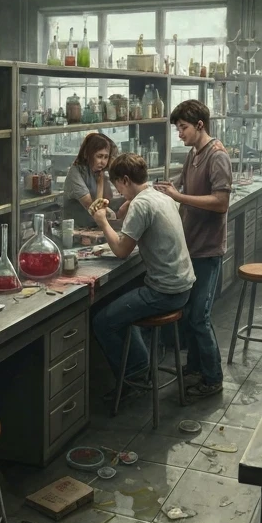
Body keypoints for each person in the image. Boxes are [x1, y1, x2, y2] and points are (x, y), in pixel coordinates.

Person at [89, 153, 196, 389]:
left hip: (164, 292)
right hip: (183, 284)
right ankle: (139, 364)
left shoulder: (141, 204)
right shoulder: (160, 196)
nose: (118, 193)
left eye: (118, 186)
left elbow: (121, 250)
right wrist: (115, 217)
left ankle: (135, 375)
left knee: (102, 321)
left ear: (125, 179)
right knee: (122, 299)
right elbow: (140, 227)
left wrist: (102, 222)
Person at [155, 99, 232, 397]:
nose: (180, 134)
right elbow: (180, 183)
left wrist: (180, 197)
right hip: (191, 246)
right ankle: (195, 369)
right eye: (177, 129)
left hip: (208, 249)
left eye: (183, 128)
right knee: (191, 314)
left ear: (200, 125)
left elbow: (221, 202)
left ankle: (213, 379)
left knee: (199, 316)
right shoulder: (194, 154)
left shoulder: (217, 156)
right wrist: (157, 189)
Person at [62, 132, 120, 224]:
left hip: (94, 225)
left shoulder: (99, 172)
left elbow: (106, 199)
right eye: (99, 156)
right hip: (77, 227)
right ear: (87, 154)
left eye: (106, 157)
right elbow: (92, 207)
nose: (103, 161)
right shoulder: (76, 173)